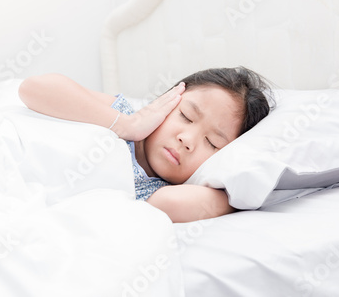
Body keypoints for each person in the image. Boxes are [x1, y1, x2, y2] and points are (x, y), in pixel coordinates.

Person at [18, 67, 272, 223]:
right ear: (166, 101)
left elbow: (168, 205)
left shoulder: (162, 190)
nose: (187, 139)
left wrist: (233, 196)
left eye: (212, 143)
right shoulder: (121, 113)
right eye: (186, 115)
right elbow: (33, 89)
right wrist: (125, 125)